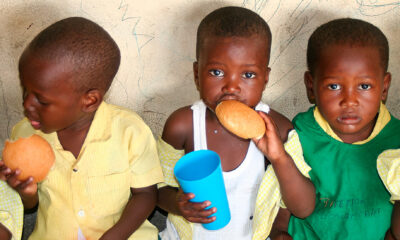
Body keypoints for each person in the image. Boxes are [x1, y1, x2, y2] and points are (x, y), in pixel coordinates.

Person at [156, 6, 315, 240]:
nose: (231, 86)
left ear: (266, 78)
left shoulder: (278, 129)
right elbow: (158, 190)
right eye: (217, 72)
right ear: (197, 73)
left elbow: (303, 208)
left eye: (248, 75)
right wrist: (179, 204)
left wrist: (279, 157)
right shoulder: (183, 125)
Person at [0, 17, 164, 240]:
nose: (27, 104)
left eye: (42, 100)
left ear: (89, 101)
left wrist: (114, 236)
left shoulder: (130, 131)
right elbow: (29, 206)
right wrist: (24, 192)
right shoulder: (24, 134)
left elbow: (145, 194)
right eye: (25, 89)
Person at [266, 18, 400, 239]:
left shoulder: (396, 140)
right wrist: (280, 232)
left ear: (384, 88)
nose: (349, 101)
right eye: (334, 86)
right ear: (311, 86)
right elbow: (280, 202)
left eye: (364, 86)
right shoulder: (300, 134)